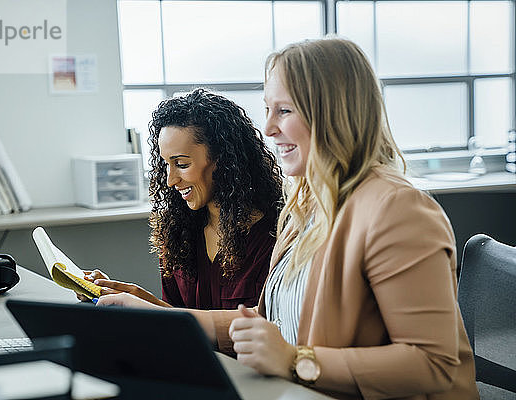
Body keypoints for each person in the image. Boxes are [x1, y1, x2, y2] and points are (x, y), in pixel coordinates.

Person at [97, 38, 478, 399]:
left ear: (333, 113)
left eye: (285, 110)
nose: (268, 128)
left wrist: (297, 361)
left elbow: (432, 364)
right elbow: (265, 327)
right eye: (268, 109)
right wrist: (152, 316)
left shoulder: (399, 210)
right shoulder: (305, 207)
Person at [80, 88, 283, 310]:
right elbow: (178, 320)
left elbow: (267, 327)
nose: (170, 180)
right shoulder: (179, 232)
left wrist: (146, 306)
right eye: (165, 164)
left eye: (182, 164)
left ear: (223, 160)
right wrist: (129, 297)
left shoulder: (273, 236)